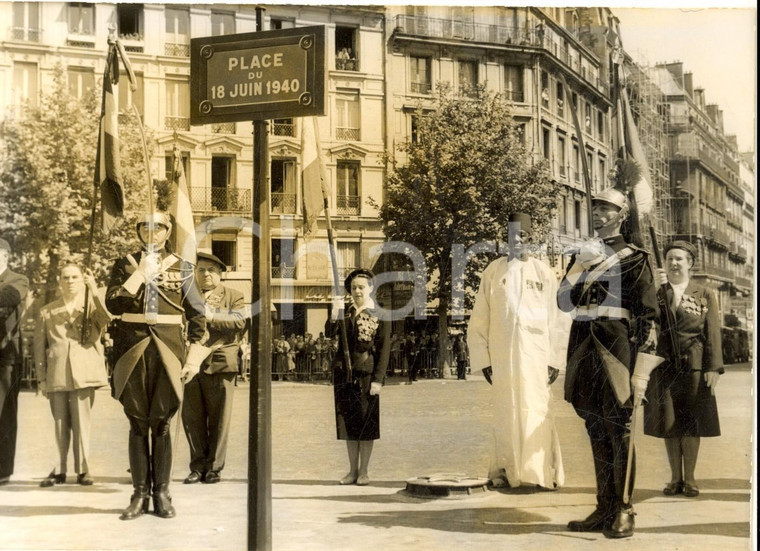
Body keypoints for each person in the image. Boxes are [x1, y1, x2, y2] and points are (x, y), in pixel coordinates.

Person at [557, 187, 659, 539]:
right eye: (596, 209)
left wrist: (640, 365)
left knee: (620, 429)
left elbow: (647, 314)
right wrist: (579, 266)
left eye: (606, 210)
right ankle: (604, 506)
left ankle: (624, 507)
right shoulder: (584, 254)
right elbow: (563, 302)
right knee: (594, 426)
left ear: (621, 215)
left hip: (617, 347)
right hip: (583, 345)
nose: (598, 215)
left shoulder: (634, 258)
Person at [106, 212, 207, 520]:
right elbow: (113, 304)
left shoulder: (183, 267)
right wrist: (138, 276)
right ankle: (139, 494)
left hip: (168, 351)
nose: (151, 232)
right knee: (137, 422)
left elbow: (199, 318)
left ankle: (161, 492)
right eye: (144, 226)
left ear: (167, 231)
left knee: (161, 422)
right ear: (138, 230)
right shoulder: (124, 264)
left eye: (158, 227)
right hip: (132, 351)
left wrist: (193, 359)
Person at [468, 212, 569, 490]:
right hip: (503, 358)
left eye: (523, 236)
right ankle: (505, 471)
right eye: (512, 236)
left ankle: (539, 473)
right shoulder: (494, 271)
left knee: (536, 410)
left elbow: (558, 319)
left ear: (532, 239)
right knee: (506, 412)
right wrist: (484, 360)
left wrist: (554, 360)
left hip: (536, 358)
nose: (517, 241)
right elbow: (480, 318)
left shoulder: (544, 273)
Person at [644, 240, 723, 498]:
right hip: (664, 366)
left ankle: (689, 479)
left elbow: (712, 332)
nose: (674, 263)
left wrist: (713, 368)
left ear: (690, 264)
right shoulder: (658, 294)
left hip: (694, 367)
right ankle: (674, 479)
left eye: (679, 259)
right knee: (669, 424)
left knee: (690, 425)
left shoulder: (704, 294)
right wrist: (654, 290)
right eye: (669, 259)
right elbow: (647, 320)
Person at [34, 263, 110, 487]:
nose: (70, 281)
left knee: (81, 422)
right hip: (57, 374)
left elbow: (106, 318)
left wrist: (94, 290)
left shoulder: (90, 308)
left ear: (81, 280)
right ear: (59, 281)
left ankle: (83, 469)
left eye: (75, 277)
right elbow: (39, 347)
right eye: (65, 277)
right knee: (59, 423)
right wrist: (41, 377)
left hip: (84, 373)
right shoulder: (47, 311)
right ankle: (59, 469)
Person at [182, 252, 245, 485]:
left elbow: (239, 322)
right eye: (201, 270)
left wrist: (210, 314)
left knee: (220, 419)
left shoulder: (233, 296)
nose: (206, 274)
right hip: (191, 364)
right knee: (193, 418)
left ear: (220, 274)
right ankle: (197, 466)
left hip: (220, 362)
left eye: (211, 270)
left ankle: (214, 468)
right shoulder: (187, 296)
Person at [332, 268, 390, 486]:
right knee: (349, 425)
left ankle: (364, 471)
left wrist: (378, 380)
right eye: (354, 288)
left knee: (366, 425)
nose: (357, 291)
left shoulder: (380, 314)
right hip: (344, 374)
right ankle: (352, 471)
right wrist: (334, 313)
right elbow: (329, 333)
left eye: (361, 287)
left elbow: (383, 350)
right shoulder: (345, 312)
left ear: (371, 288)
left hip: (366, 374)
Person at [0, 238, 29, 485]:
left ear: (5, 257)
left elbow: (9, 297)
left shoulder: (17, 280)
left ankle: (2, 470)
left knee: (4, 412)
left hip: (5, 356)